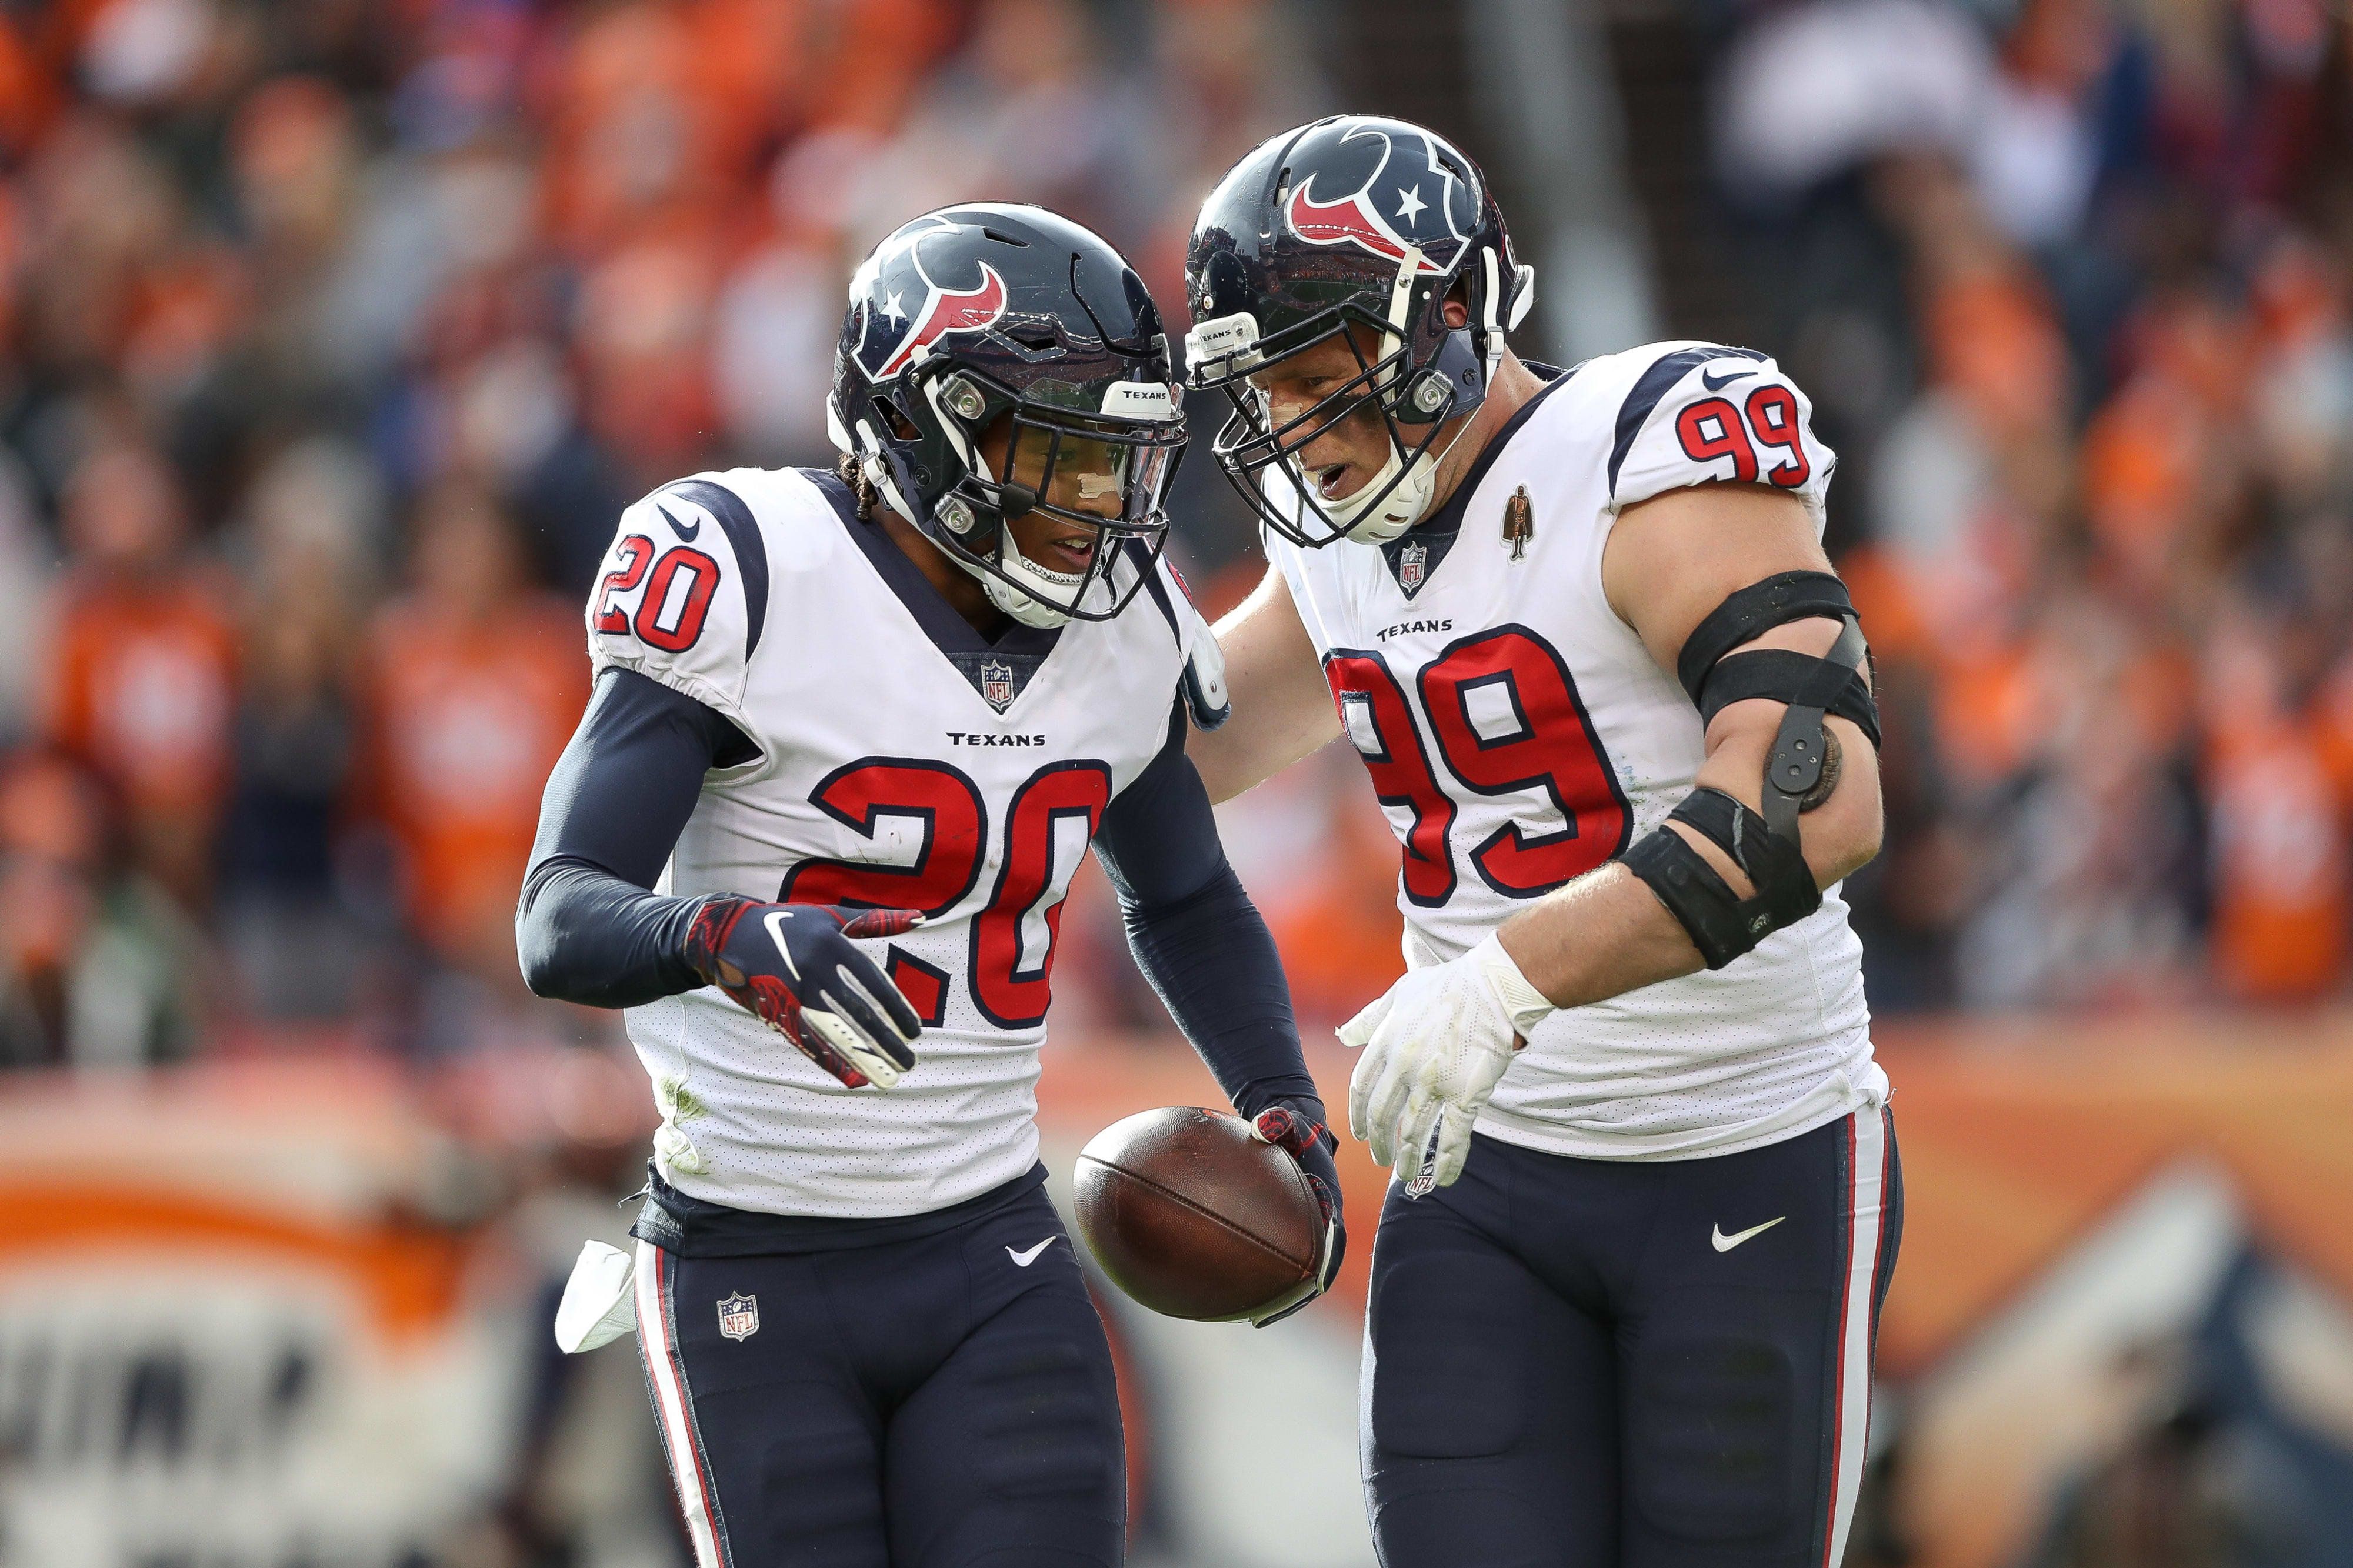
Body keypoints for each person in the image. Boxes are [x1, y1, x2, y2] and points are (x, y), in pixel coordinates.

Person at [515, 203, 1342, 1568]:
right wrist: (722, 934)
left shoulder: (1120, 628)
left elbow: (1183, 893)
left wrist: (1277, 1097)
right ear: (925, 424)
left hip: (988, 1251)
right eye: (1060, 452)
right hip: (747, 1259)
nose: (1097, 504)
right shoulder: (749, 567)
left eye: (1117, 460)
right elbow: (559, 916)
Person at [1180, 116, 1902, 1567]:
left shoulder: (1644, 450)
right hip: (1486, 1178)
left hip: (1742, 1152)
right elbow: (1164, 756)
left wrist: (1507, 979)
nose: (1303, 433)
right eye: (1273, 395)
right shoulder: (1330, 542)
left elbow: (1817, 798)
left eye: (1328, 381)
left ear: (1448, 313)